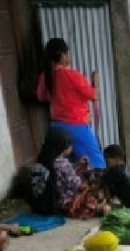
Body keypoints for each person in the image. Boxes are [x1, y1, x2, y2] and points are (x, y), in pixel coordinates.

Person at [36, 37, 106, 170]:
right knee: (97, 165)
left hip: (57, 129)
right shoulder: (73, 76)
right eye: (68, 53)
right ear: (62, 55)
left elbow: (41, 97)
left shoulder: (44, 76)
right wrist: (95, 84)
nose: (70, 56)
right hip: (77, 127)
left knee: (72, 168)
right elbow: (93, 95)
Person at [35, 126, 104, 219]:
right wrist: (91, 186)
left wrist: (77, 165)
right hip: (61, 202)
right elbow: (76, 185)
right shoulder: (63, 163)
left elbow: (60, 174)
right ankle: (98, 210)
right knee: (92, 194)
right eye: (70, 146)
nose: (71, 148)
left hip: (42, 201)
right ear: (62, 147)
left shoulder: (43, 158)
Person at [97, 144, 130, 210]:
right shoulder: (124, 167)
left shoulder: (115, 171)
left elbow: (104, 183)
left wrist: (108, 201)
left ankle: (109, 203)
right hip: (128, 199)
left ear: (115, 159)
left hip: (121, 203)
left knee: (102, 188)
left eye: (107, 160)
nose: (106, 163)